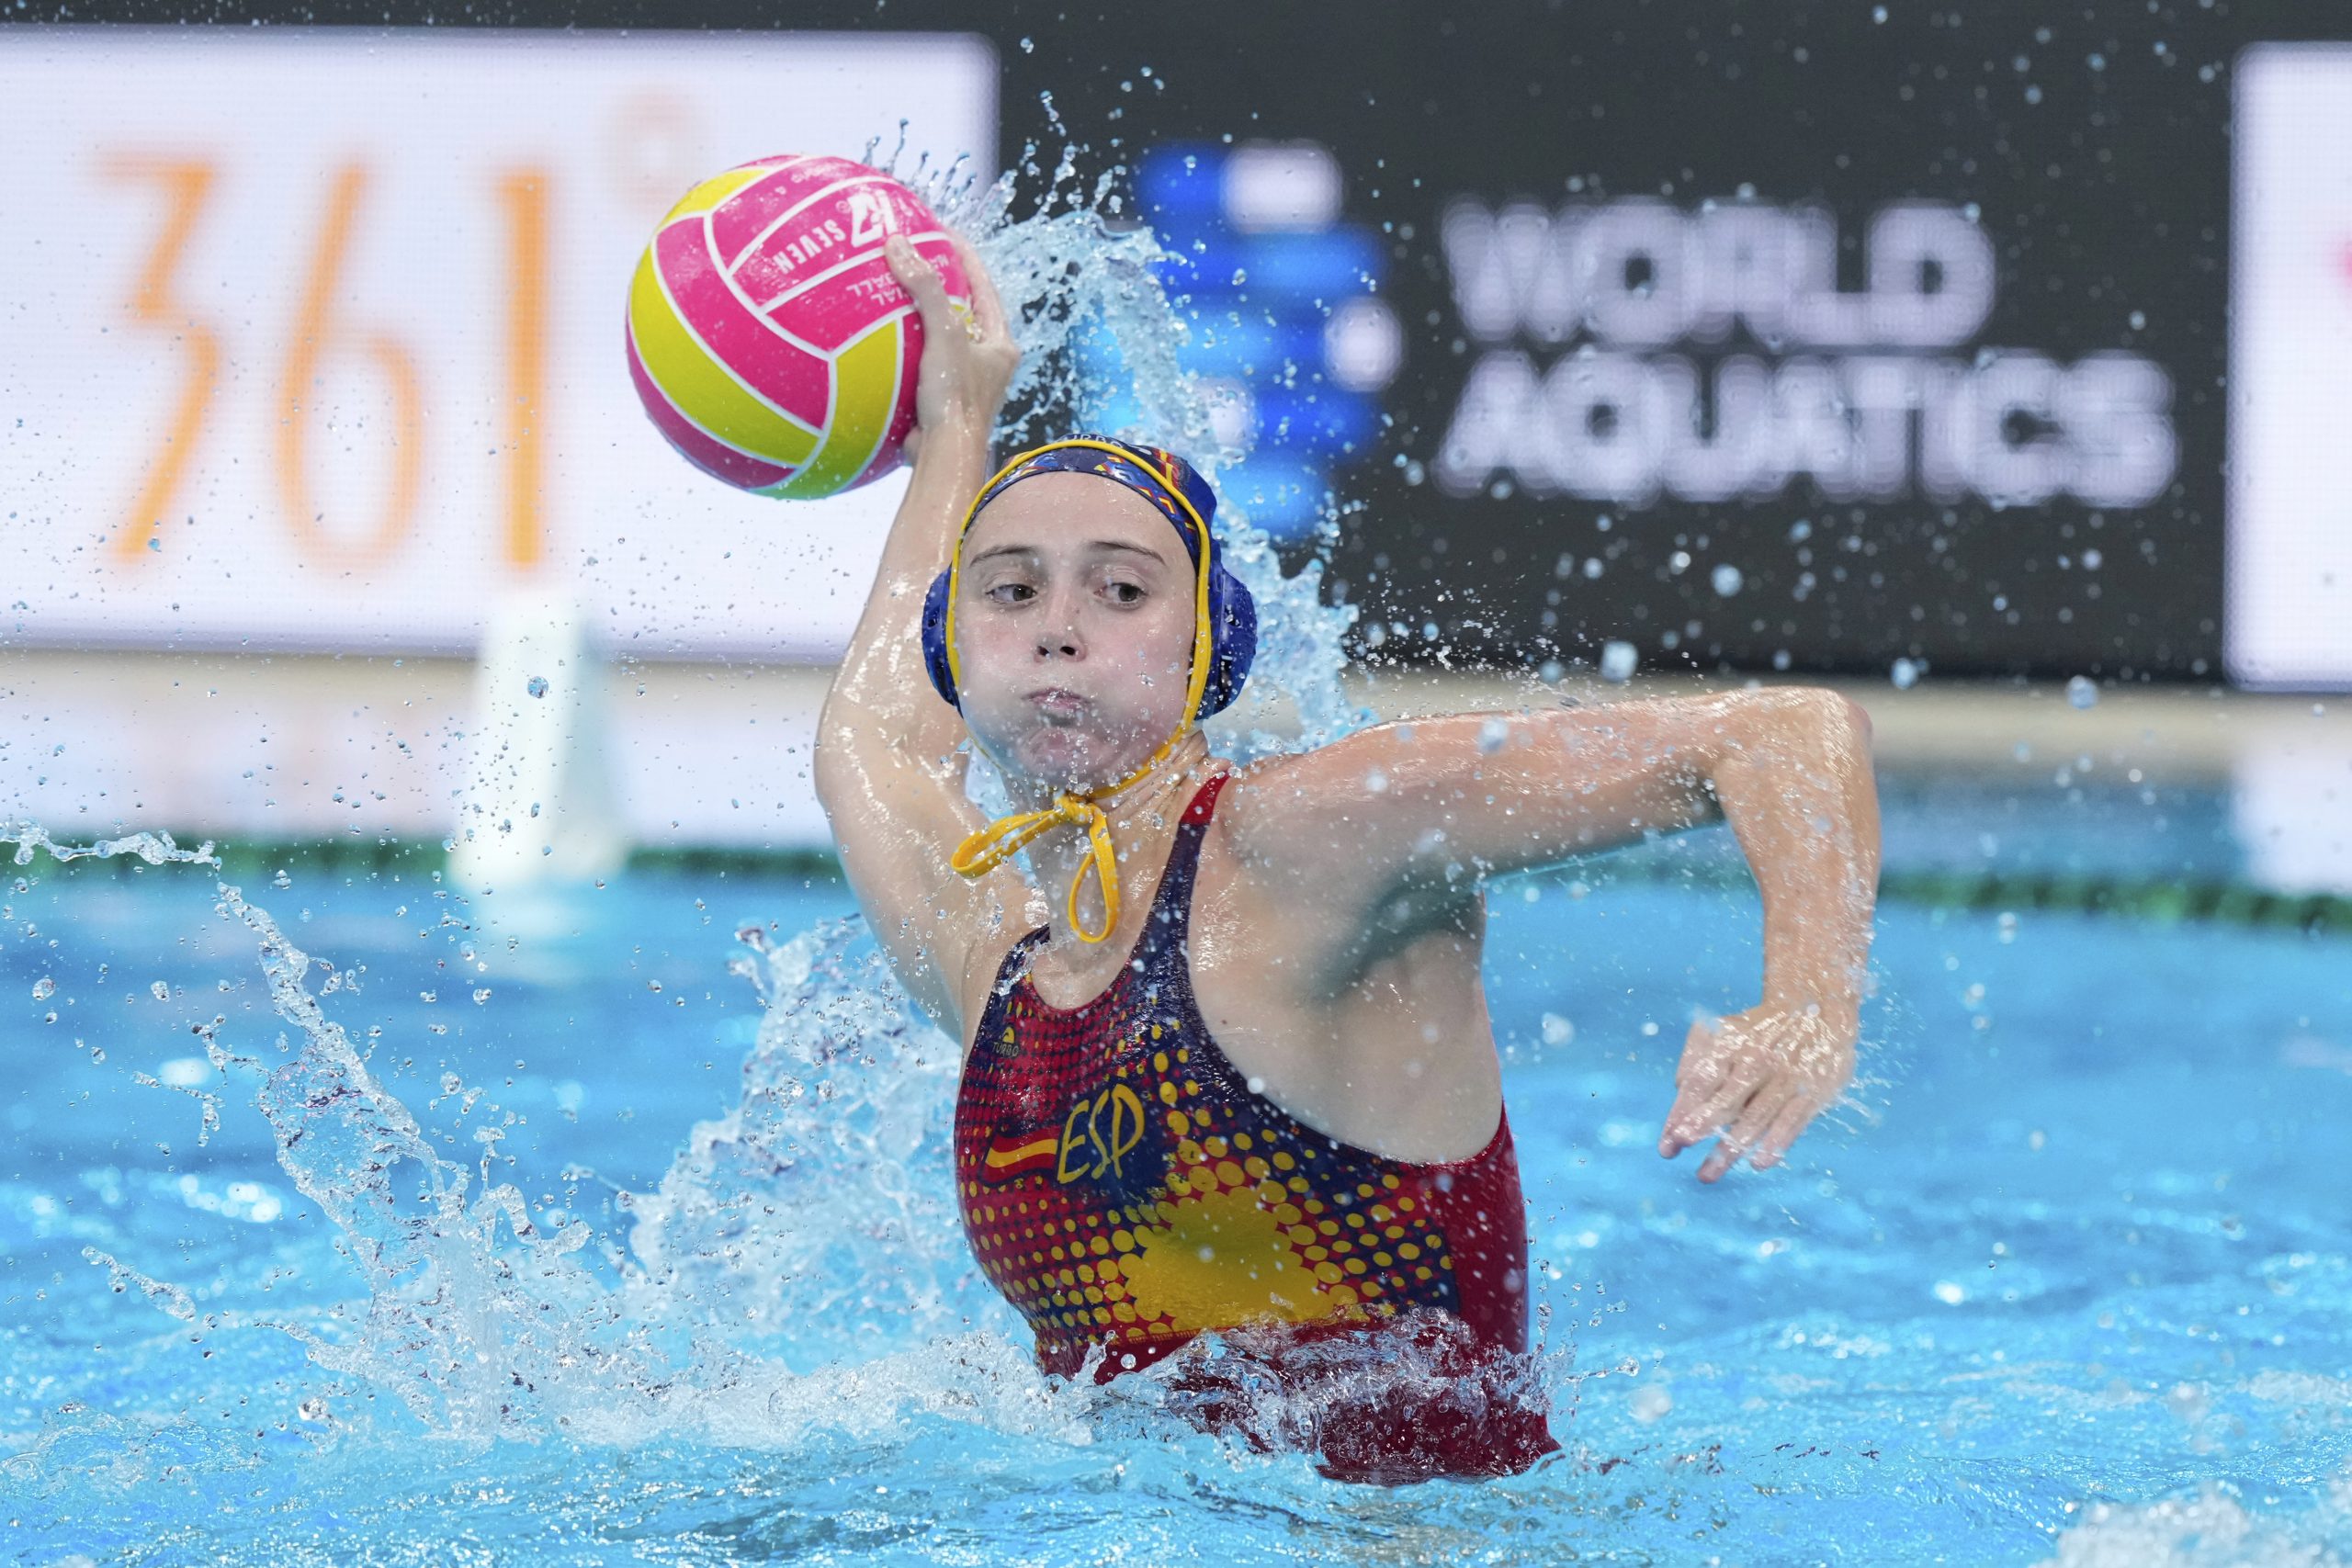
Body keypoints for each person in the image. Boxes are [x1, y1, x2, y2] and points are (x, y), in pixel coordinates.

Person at [812, 230, 1883, 1483]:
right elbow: (870, 743)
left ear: (1210, 647)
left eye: (1120, 592)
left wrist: (1809, 1003)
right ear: (956, 648)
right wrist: (957, 422)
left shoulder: (1303, 841)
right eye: (1008, 591)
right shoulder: (995, 964)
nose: (1056, 630)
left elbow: (1786, 735)